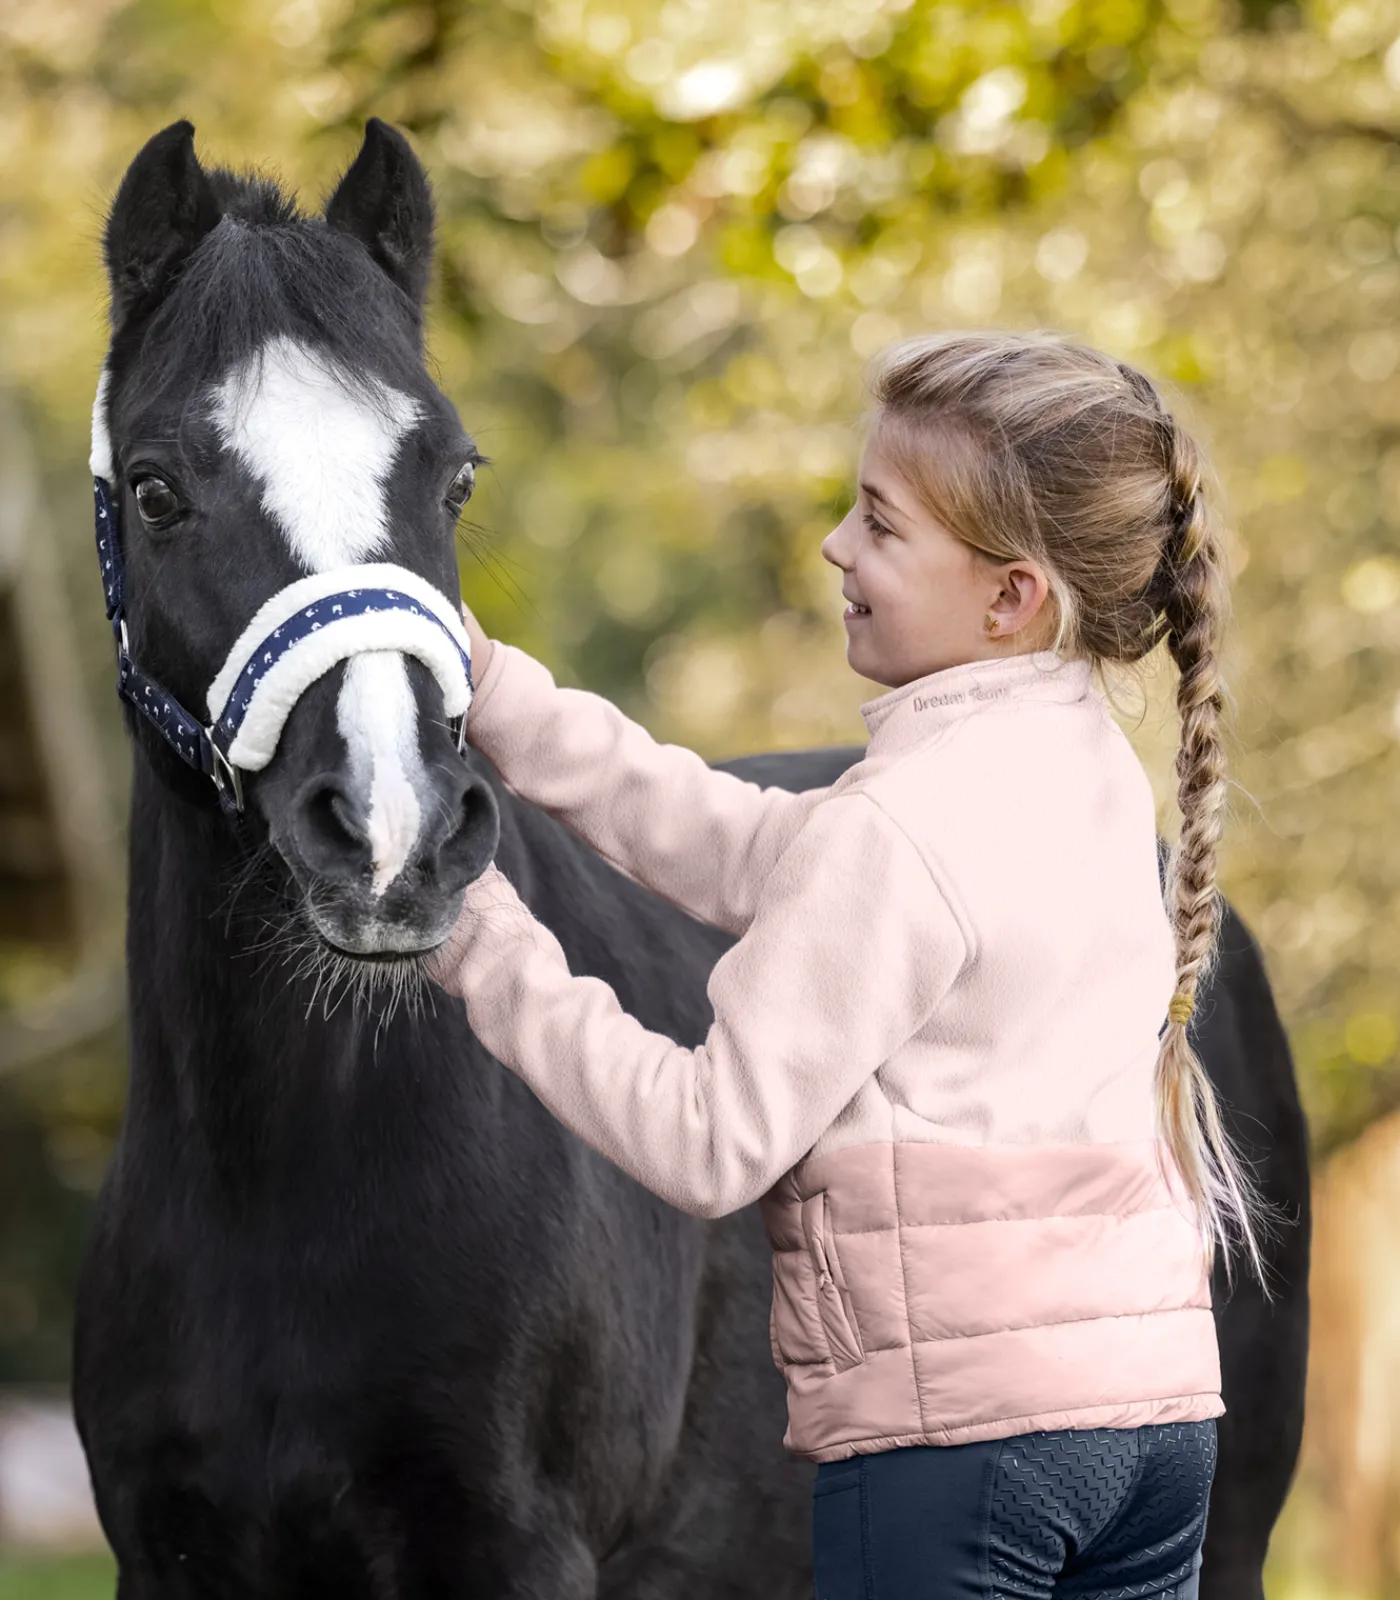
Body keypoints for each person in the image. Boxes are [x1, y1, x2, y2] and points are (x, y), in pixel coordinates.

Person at [426, 329, 1266, 1598]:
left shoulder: (896, 826)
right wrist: (497, 693)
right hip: (1147, 1431)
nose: (835, 546)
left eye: (878, 523)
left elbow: (705, 1140)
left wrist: (476, 935)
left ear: (1008, 596)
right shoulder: (1077, 766)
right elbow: (740, 841)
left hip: (964, 1449)